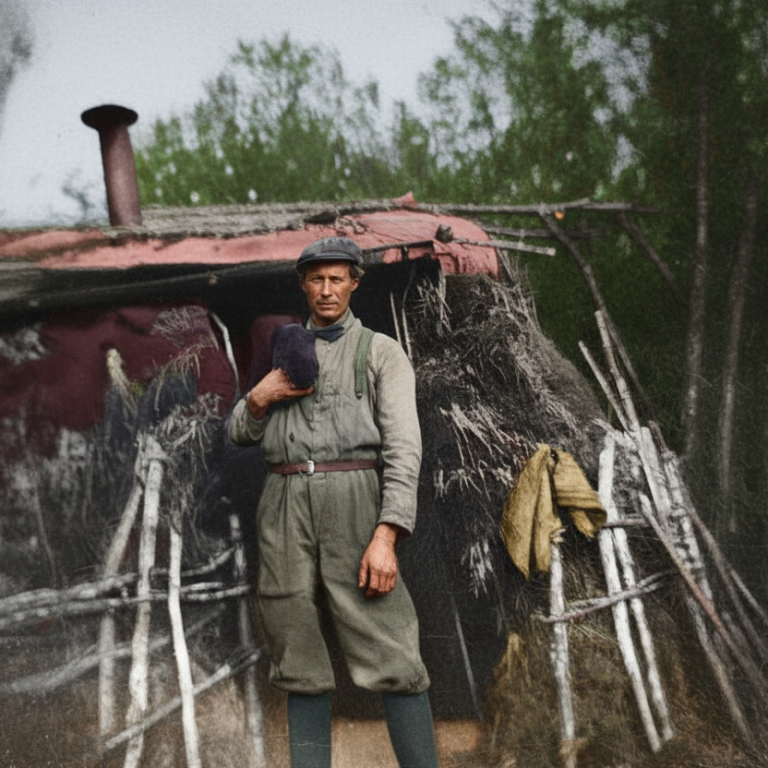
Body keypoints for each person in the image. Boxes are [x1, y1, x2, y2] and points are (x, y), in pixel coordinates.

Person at [228, 236, 439, 768]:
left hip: (354, 501)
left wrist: (388, 534)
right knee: (295, 648)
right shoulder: (281, 350)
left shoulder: (380, 352)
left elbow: (404, 449)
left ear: (354, 283)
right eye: (316, 279)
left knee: (390, 646)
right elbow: (239, 432)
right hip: (283, 503)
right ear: (303, 284)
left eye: (337, 279)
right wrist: (259, 398)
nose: (326, 290)